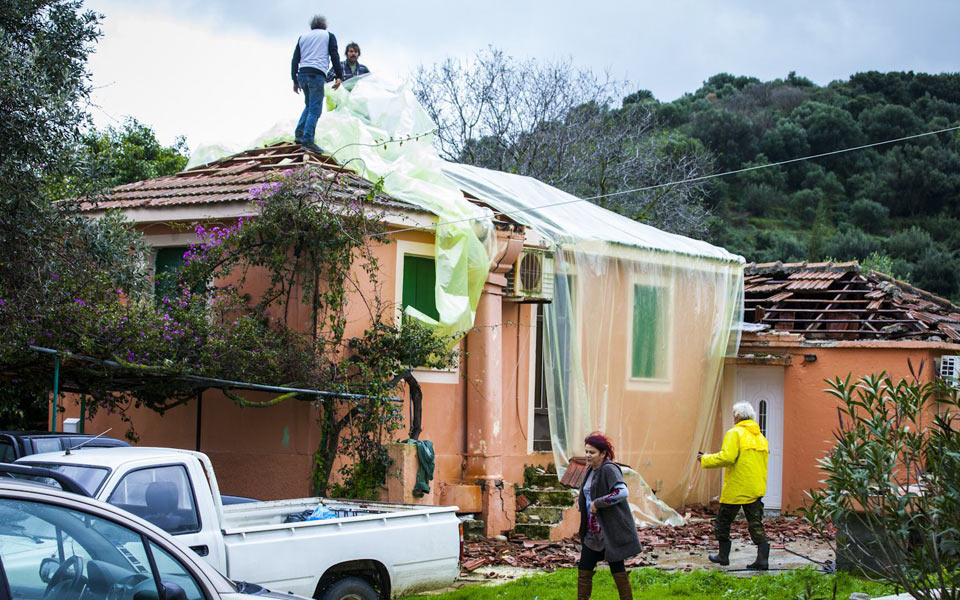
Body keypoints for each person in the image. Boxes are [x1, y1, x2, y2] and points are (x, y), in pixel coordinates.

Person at [698, 402, 770, 570]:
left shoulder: (735, 433)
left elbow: (727, 457)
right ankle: (763, 560)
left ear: (736, 416)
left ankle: (723, 556)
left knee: (723, 522)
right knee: (756, 523)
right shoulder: (761, 437)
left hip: (737, 488)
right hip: (755, 488)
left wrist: (705, 459)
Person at [577, 432, 642, 600]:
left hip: (608, 532)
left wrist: (597, 503)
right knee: (584, 570)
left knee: (617, 569)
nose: (588, 456)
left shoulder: (609, 469)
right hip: (592, 534)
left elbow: (622, 492)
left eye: (592, 452)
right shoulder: (591, 470)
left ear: (603, 453)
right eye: (586, 452)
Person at [291, 15, 343, 154]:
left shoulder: (303, 37)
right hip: (316, 74)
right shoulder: (328, 36)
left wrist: (294, 80)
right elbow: (334, 55)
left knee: (309, 105)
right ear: (325, 26)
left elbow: (295, 59)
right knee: (315, 109)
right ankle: (307, 141)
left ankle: (299, 134)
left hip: (302, 74)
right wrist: (339, 76)